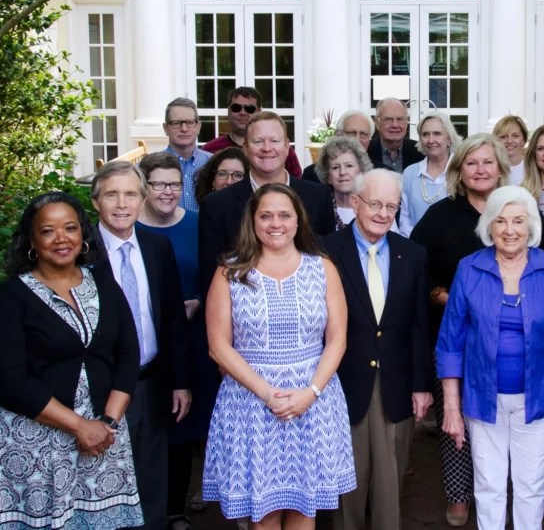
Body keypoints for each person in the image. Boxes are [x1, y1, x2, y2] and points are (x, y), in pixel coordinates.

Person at [0, 192, 143, 529]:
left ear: (83, 234)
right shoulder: (10, 298)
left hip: (103, 437)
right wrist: (80, 426)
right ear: (32, 241)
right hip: (36, 445)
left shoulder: (105, 285)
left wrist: (107, 424)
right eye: (48, 231)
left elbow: (127, 355)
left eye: (70, 228)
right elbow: (12, 381)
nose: (62, 239)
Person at [202, 184, 356, 527]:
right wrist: (268, 393)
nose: (276, 223)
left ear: (298, 221)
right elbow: (218, 346)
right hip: (251, 404)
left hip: (313, 402)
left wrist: (310, 393)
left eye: (285, 215)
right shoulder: (230, 271)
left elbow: (338, 339)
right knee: (264, 513)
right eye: (266, 215)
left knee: (305, 509)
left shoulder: (322, 267)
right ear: (252, 221)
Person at [437, 186, 544, 530]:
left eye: (518, 221)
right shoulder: (469, 268)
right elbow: (450, 342)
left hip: (537, 398)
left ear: (531, 225)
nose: (509, 230)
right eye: (501, 221)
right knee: (488, 485)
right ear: (488, 225)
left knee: (531, 486)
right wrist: (450, 406)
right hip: (482, 396)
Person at [321, 170, 434, 530]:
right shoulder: (324, 252)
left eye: (392, 205)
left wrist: (421, 385)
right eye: (375, 204)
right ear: (354, 203)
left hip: (396, 383)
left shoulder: (413, 255)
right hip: (341, 382)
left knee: (390, 481)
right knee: (346, 486)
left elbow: (420, 325)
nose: (384, 213)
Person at [410, 133, 511, 527]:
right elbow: (418, 266)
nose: (481, 169)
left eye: (488, 162)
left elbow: (542, 262)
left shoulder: (518, 208)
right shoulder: (441, 215)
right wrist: (441, 295)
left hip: (508, 337)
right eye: (472, 163)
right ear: (459, 170)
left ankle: (496, 488)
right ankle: (458, 494)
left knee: (499, 418)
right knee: (456, 417)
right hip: (453, 334)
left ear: (501, 168)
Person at [91, 161, 192, 530]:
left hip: (153, 382)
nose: (122, 203)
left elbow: (172, 321)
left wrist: (180, 381)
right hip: (101, 387)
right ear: (96, 201)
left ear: (142, 199)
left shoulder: (156, 246)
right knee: (103, 483)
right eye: (112, 194)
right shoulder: (81, 251)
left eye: (130, 194)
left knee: (152, 484)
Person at [136, 152, 217, 529]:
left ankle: (175, 509)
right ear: (144, 187)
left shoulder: (198, 224)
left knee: (184, 421)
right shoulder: (130, 228)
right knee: (148, 420)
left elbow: (214, 274)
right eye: (159, 184)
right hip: (145, 340)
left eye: (174, 183)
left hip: (192, 335)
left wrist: (199, 300)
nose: (168, 191)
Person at [198, 111, 337, 298]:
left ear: (288, 146)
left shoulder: (318, 196)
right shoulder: (216, 205)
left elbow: (326, 263)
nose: (267, 148)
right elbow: (210, 281)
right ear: (245, 148)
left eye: (274, 141)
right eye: (258, 142)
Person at [203, 86, 303, 178]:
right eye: (236, 108)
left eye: (249, 109)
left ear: (259, 111)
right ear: (228, 110)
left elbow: (296, 181)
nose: (242, 113)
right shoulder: (210, 150)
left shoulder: (280, 150)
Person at [399, 110, 462, 236]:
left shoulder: (461, 169)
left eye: (437, 134)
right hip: (416, 246)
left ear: (449, 138)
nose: (430, 140)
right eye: (425, 134)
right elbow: (403, 217)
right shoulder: (410, 173)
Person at [314, 135, 389, 231]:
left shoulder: (379, 208)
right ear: (328, 176)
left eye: (349, 166)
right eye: (335, 167)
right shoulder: (318, 210)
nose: (342, 172)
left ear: (361, 170)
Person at [163, 97, 212, 212]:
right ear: (165, 128)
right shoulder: (148, 167)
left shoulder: (213, 163)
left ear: (198, 127)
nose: (184, 129)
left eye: (190, 123)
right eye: (176, 123)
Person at [302, 109, 377, 182]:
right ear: (338, 135)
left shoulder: (380, 172)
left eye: (363, 134)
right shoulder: (312, 174)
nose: (357, 139)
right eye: (351, 133)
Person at [367, 98, 424, 173]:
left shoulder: (420, 151)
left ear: (406, 123)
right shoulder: (366, 151)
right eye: (388, 119)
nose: (395, 125)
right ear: (377, 123)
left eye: (400, 119)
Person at [493, 115, 529, 186]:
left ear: (524, 140)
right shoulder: (491, 167)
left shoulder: (532, 166)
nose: (509, 141)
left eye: (515, 136)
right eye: (503, 137)